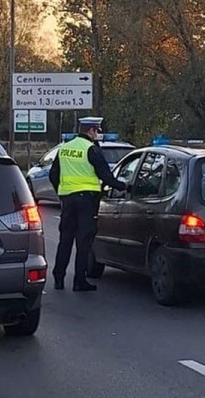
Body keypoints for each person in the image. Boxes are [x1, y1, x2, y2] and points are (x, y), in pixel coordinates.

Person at [48, 117, 128, 292]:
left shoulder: (65, 149)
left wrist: (62, 192)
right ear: (91, 130)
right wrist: (124, 186)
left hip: (68, 200)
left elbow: (53, 174)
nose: (97, 135)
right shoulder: (91, 149)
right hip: (86, 202)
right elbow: (106, 176)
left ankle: (59, 279)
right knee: (84, 242)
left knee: (65, 240)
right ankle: (79, 281)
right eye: (97, 131)